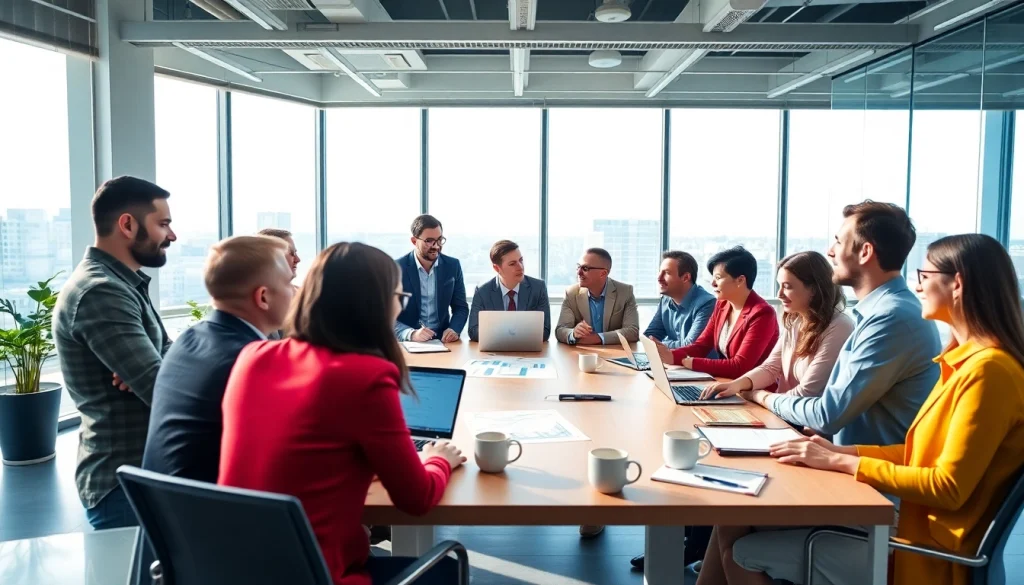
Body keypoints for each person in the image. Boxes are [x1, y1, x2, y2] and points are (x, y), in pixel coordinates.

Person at [723, 234, 1024, 585]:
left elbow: (947, 486)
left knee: (743, 550)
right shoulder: (965, 361)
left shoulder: (989, 371)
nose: (917, 285)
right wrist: (839, 449)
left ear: (956, 284)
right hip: (915, 526)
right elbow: (922, 455)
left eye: (924, 276)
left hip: (925, 550)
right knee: (735, 516)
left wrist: (841, 461)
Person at [696, 201, 942, 585]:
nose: (830, 251)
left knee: (738, 536)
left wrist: (760, 397)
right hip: (846, 473)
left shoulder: (890, 318)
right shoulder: (874, 313)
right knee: (728, 513)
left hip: (874, 499)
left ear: (865, 251)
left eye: (837, 240)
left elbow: (828, 413)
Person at [218, 242, 466, 585]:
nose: (398, 308)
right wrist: (438, 459)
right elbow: (416, 499)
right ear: (374, 305)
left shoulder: (252, 357)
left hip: (235, 570)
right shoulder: (365, 377)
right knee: (447, 570)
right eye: (398, 298)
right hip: (319, 575)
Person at [53, 175, 176, 530]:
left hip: (142, 477)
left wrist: (161, 366)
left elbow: (168, 359)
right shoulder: (101, 292)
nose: (172, 235)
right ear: (127, 224)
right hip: (124, 486)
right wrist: (160, 371)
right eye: (163, 224)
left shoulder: (124, 284)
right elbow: (161, 389)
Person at [142, 236, 295, 482]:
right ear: (263, 297)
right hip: (220, 513)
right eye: (289, 283)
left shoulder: (188, 340)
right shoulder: (254, 360)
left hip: (166, 510)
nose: (295, 292)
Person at [700, 251, 854, 399]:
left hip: (802, 420)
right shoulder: (796, 320)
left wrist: (758, 396)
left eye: (787, 286)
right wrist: (735, 386)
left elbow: (806, 392)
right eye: (779, 285)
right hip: (782, 410)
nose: (779, 294)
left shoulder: (839, 326)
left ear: (813, 289)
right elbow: (771, 368)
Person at [650, 246, 779, 380]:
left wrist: (691, 362)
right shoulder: (722, 305)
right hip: (725, 383)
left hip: (755, 392)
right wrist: (671, 356)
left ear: (740, 280)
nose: (712, 283)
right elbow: (701, 346)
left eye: (718, 278)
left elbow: (739, 367)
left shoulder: (763, 314)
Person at [394, 215, 468, 343]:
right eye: (429, 241)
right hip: (409, 342)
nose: (436, 246)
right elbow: (385, 316)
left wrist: (453, 329)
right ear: (414, 241)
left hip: (443, 341)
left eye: (439, 240)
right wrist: (410, 334)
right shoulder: (397, 268)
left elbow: (460, 307)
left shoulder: (453, 266)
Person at [468, 239, 551, 342]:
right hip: (495, 352)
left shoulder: (538, 288)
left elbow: (545, 331)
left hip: (527, 353)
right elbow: (473, 330)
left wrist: (502, 334)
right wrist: (512, 336)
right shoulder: (482, 292)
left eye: (521, 260)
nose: (520, 267)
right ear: (497, 268)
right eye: (512, 264)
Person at [555, 247, 639, 346]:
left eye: (585, 268)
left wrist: (599, 338)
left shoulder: (625, 292)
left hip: (614, 354)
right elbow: (560, 330)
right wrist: (573, 333)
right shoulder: (571, 293)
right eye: (578, 267)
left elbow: (632, 332)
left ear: (603, 273)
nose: (579, 272)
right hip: (581, 356)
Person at [644, 250, 716, 350]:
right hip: (672, 363)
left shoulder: (707, 303)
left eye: (667, 273)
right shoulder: (665, 300)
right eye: (660, 272)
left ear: (685, 278)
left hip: (695, 365)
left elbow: (691, 346)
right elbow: (649, 337)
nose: (659, 278)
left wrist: (661, 344)